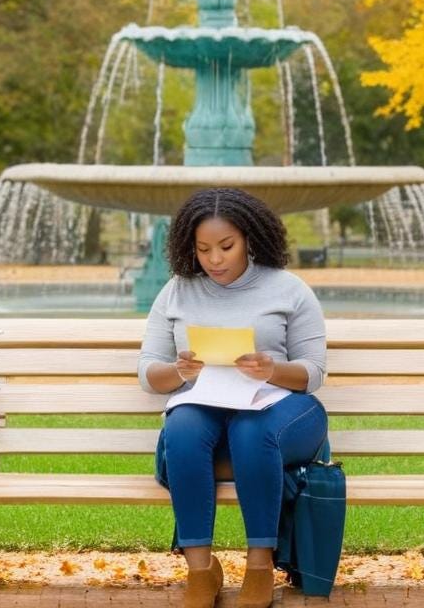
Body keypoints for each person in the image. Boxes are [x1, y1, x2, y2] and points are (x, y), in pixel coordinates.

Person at [138, 188, 328, 608]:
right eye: (203, 249)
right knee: (182, 428)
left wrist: (272, 369)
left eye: (226, 246)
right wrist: (179, 371)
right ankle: (200, 570)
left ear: (249, 239)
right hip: (206, 401)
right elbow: (149, 372)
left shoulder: (289, 289)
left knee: (251, 430)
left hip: (281, 405)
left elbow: (313, 372)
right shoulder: (177, 291)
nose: (215, 259)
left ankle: (259, 565)